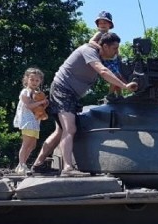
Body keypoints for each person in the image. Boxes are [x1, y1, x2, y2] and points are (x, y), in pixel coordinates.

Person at [31, 32, 138, 176]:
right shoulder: (89, 51)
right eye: (114, 48)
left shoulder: (100, 56)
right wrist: (125, 87)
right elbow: (103, 71)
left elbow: (116, 74)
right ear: (104, 46)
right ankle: (68, 168)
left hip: (69, 94)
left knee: (61, 131)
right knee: (70, 129)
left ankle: (38, 164)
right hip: (63, 90)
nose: (117, 52)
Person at [13, 67, 49, 174]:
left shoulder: (38, 93)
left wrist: (44, 104)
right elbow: (28, 105)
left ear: (40, 81)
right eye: (32, 80)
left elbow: (38, 108)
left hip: (35, 121)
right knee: (26, 143)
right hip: (27, 120)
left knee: (32, 144)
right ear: (27, 79)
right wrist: (41, 102)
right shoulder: (25, 92)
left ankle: (22, 163)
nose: (34, 82)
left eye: (37, 80)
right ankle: (21, 164)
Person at [89, 10, 127, 97]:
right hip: (106, 60)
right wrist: (100, 48)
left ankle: (119, 95)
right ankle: (110, 95)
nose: (102, 25)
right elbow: (91, 41)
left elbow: (116, 47)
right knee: (114, 76)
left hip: (114, 59)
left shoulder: (111, 35)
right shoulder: (99, 34)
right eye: (100, 23)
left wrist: (118, 55)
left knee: (119, 77)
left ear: (110, 24)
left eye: (105, 23)